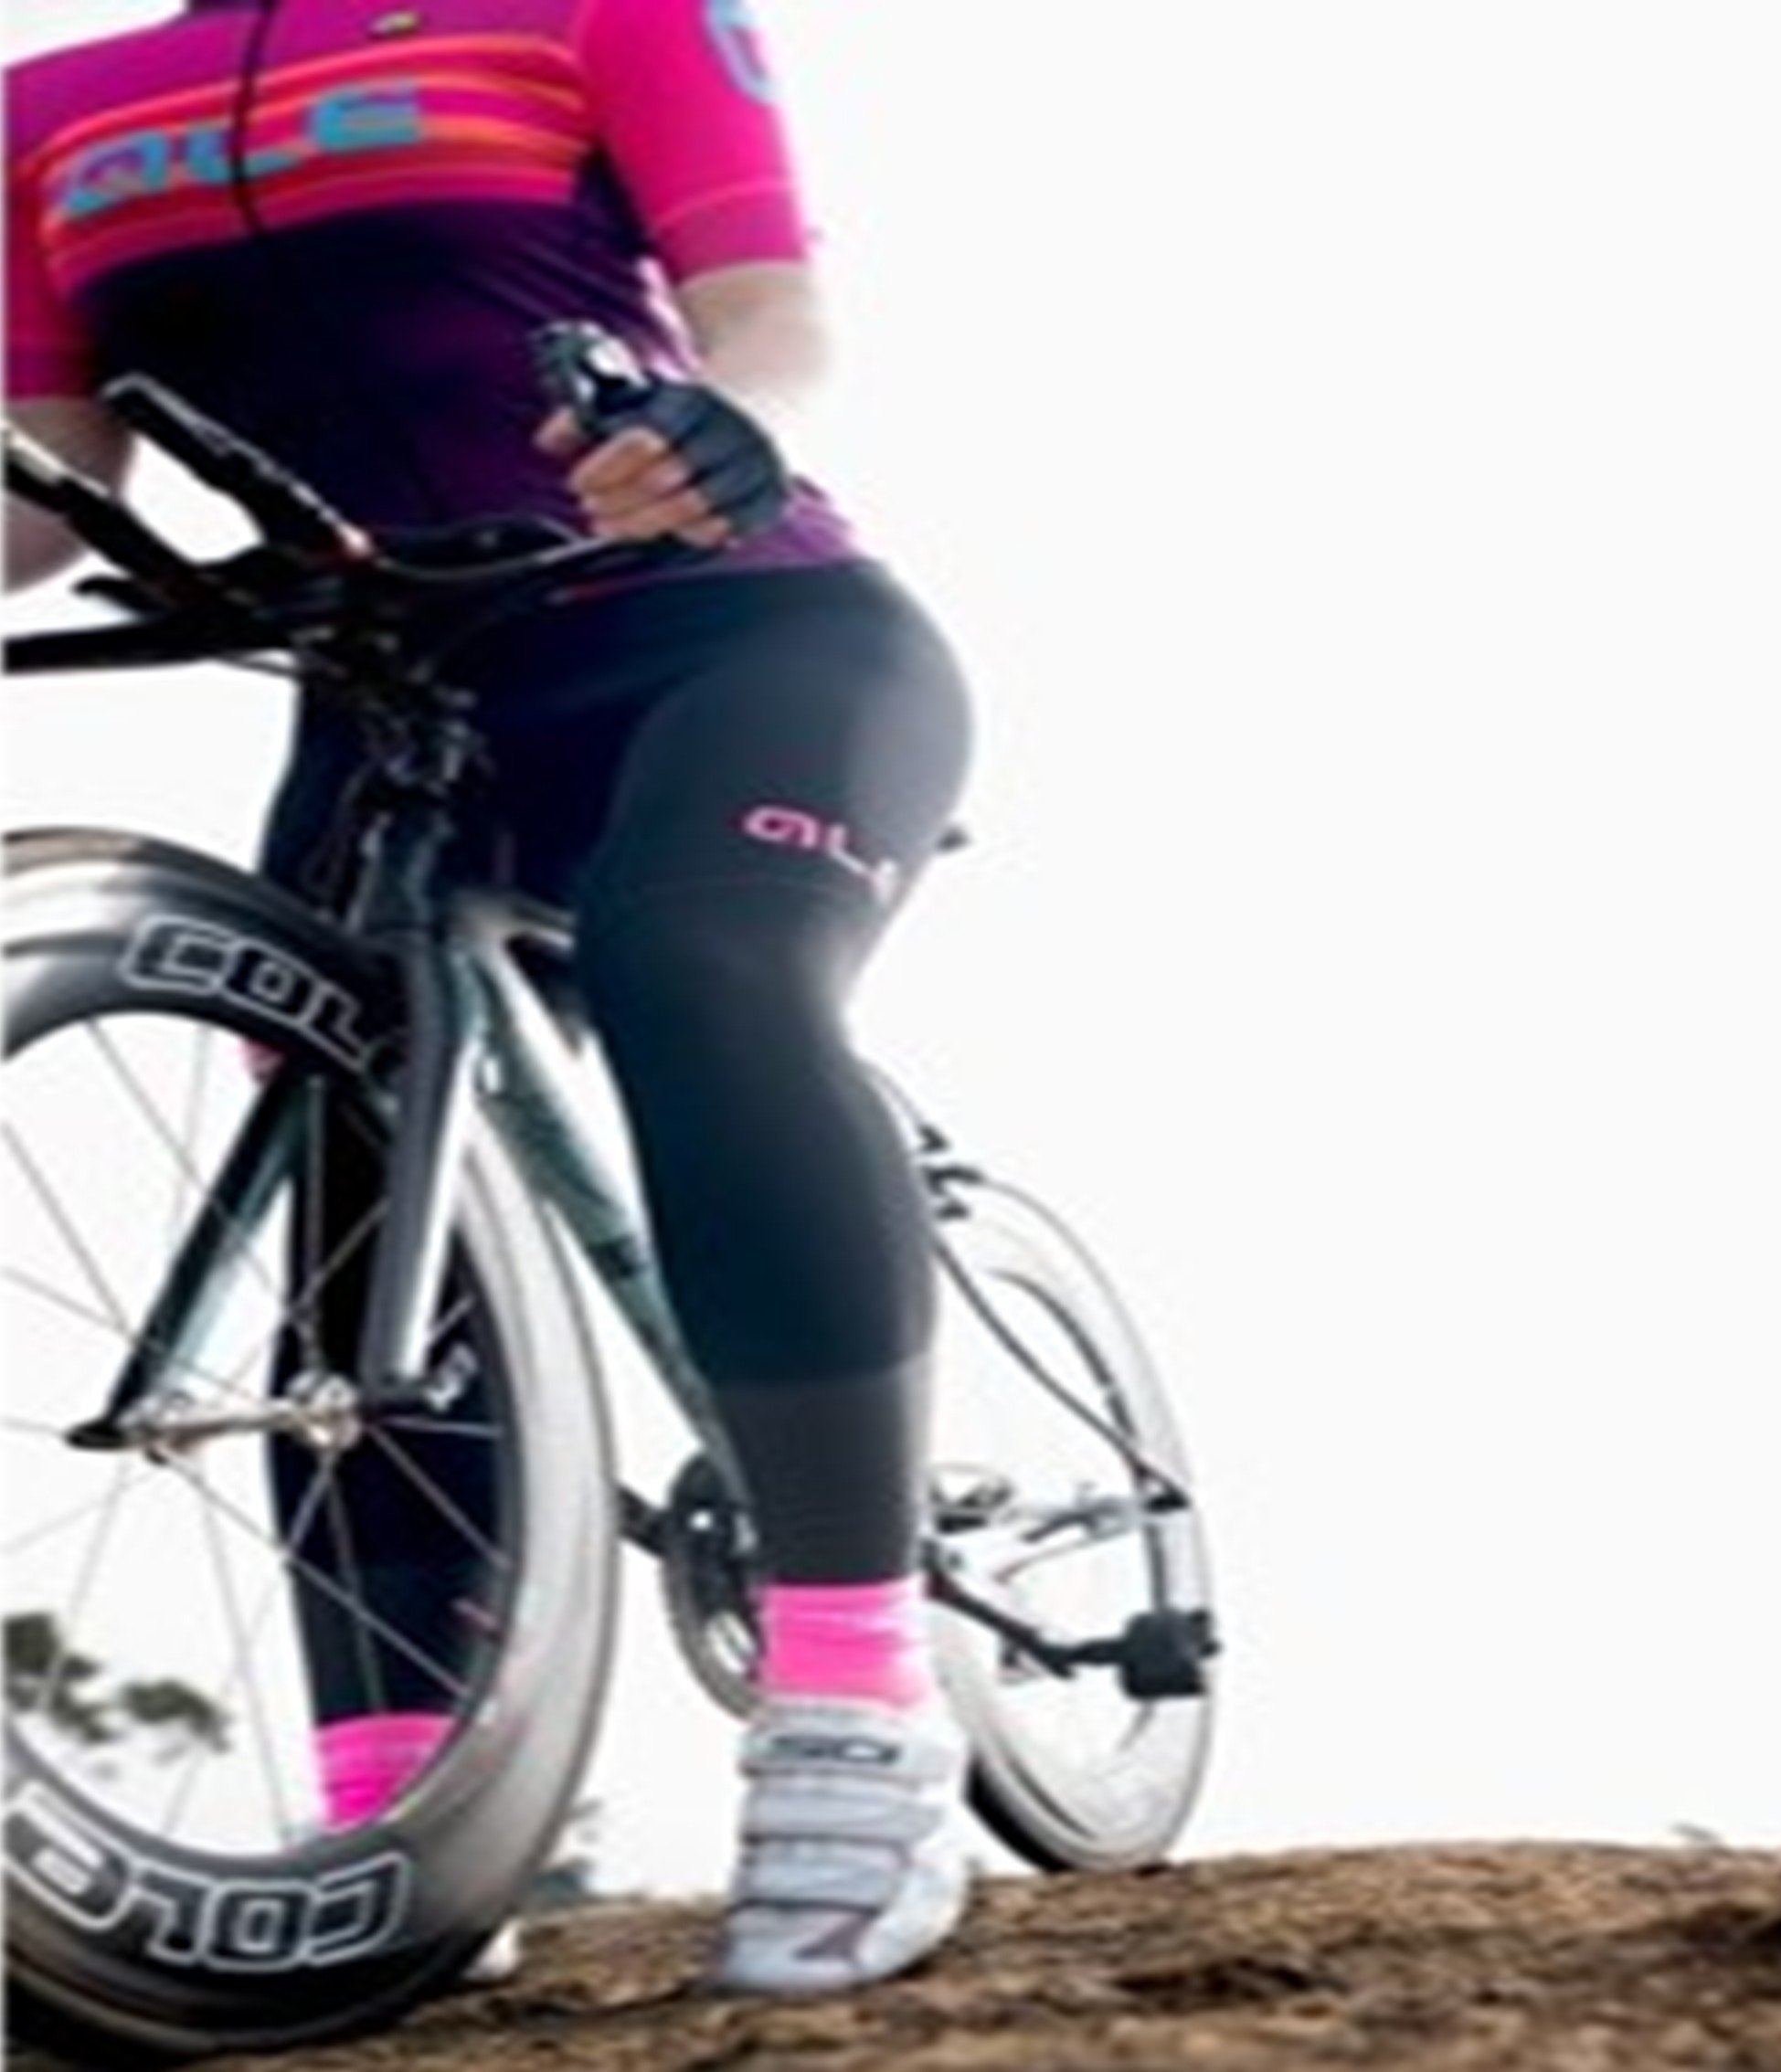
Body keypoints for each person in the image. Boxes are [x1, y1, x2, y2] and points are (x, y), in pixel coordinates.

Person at [5, 0, 978, 1997]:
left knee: (696, 969)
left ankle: (858, 1702)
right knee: (349, 1155)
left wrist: (729, 423)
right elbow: (41, 489)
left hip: (735, 634)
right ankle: (407, 1817)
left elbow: (771, 323)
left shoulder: (600, 9)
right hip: (402, 699)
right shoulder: (39, 113)